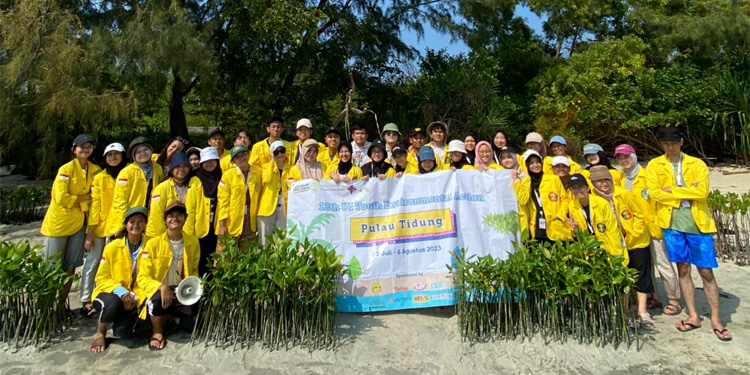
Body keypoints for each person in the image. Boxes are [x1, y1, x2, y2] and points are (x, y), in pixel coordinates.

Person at [646, 127, 730, 341]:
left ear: (681, 142)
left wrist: (670, 191)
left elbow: (702, 192)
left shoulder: (697, 164)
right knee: (682, 269)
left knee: (706, 272)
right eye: (665, 143)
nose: (669, 147)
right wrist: (685, 191)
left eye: (673, 143)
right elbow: (654, 193)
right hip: (671, 224)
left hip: (698, 224)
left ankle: (716, 318)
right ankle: (693, 315)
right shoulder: (655, 165)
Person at [615, 144, 682, 316]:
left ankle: (674, 300)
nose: (624, 161)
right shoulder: (620, 177)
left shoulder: (647, 174)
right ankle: (655, 297)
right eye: (620, 158)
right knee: (645, 266)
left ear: (634, 156)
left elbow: (663, 193)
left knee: (662, 263)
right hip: (635, 229)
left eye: (627, 157)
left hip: (653, 225)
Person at [41, 134, 102, 310]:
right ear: (74, 149)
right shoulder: (65, 170)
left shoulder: (96, 170)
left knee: (71, 266)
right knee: (51, 266)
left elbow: (96, 197)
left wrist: (81, 199)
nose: (85, 150)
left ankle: (61, 305)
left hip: (80, 224)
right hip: (58, 225)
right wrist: (86, 197)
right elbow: (61, 198)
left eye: (89, 147)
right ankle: (45, 308)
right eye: (81, 147)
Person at [589, 165, 654, 330]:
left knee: (640, 274)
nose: (603, 184)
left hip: (635, 239)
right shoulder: (593, 200)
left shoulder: (624, 194)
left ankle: (642, 311)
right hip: (614, 244)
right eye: (599, 181)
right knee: (621, 276)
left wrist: (632, 234)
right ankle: (625, 310)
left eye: (606, 180)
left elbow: (638, 215)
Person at [137, 202, 200, 351]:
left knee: (189, 326)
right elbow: (142, 277)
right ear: (165, 220)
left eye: (179, 215)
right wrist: (161, 287)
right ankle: (157, 331)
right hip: (160, 291)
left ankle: (169, 318)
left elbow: (195, 270)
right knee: (157, 300)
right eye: (170, 216)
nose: (175, 219)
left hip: (180, 291)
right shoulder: (153, 244)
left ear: (185, 218)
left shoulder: (193, 242)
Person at [89, 206, 148, 353]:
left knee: (123, 332)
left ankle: (119, 318)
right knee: (113, 303)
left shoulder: (151, 245)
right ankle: (100, 332)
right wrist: (121, 292)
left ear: (145, 224)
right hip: (110, 292)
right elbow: (101, 278)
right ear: (126, 224)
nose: (136, 225)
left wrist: (135, 297)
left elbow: (151, 276)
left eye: (140, 221)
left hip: (136, 295)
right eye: (132, 221)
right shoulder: (112, 247)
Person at [81, 142, 127, 318]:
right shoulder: (100, 178)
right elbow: (95, 206)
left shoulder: (129, 173)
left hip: (122, 228)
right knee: (92, 264)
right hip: (101, 229)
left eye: (117, 154)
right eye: (110, 155)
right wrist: (90, 233)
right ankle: (86, 300)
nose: (113, 157)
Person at [566, 173, 628, 263]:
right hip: (590, 249)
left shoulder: (602, 204)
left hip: (608, 246)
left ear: (587, 188)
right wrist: (576, 228)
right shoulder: (572, 205)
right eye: (574, 188)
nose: (578, 190)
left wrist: (616, 254)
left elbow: (612, 230)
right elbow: (579, 233)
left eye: (580, 187)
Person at [108, 137, 163, 235]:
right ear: (133, 155)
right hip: (130, 221)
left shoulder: (158, 169)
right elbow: (119, 201)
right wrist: (122, 224)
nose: (143, 153)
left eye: (146, 149)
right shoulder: (127, 172)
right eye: (138, 152)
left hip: (149, 220)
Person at [517, 150, 569, 243]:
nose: (535, 165)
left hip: (555, 225)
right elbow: (522, 200)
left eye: (537, 162)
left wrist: (560, 215)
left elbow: (565, 199)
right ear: (527, 165)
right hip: (536, 227)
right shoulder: (526, 181)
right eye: (531, 163)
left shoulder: (554, 178)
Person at [185, 147, 222, 277]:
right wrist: (188, 231)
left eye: (212, 160)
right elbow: (190, 207)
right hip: (200, 227)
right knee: (200, 260)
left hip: (218, 226)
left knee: (216, 259)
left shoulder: (223, 177)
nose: (209, 163)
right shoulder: (195, 179)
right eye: (206, 161)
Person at [146, 152, 196, 239]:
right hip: (157, 235)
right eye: (177, 166)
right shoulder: (162, 187)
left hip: (178, 235)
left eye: (184, 166)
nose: (181, 169)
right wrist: (166, 236)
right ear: (172, 169)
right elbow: (156, 215)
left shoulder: (190, 187)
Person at [217, 145, 260, 240]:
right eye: (237, 157)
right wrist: (222, 224)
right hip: (232, 221)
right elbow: (223, 201)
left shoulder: (257, 172)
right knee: (226, 252)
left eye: (244, 154)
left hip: (250, 221)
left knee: (247, 253)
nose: (241, 158)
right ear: (233, 161)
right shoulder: (227, 175)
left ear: (249, 155)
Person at [257, 141, 291, 245]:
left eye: (282, 151)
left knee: (281, 238)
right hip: (267, 206)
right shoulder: (265, 167)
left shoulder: (292, 168)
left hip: (285, 206)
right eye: (276, 152)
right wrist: (272, 160)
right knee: (264, 240)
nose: (280, 154)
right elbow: (266, 179)